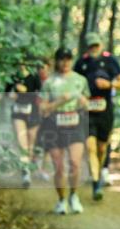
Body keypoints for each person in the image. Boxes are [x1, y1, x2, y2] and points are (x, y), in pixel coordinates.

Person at [75, 32, 120, 201]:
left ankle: (100, 170)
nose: (94, 49)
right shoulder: (81, 63)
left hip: (105, 109)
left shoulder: (110, 61)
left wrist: (109, 84)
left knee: (101, 148)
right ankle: (96, 182)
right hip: (87, 110)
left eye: (96, 45)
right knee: (90, 147)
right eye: (91, 46)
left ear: (101, 45)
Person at [39, 47, 89, 214]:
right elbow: (43, 109)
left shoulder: (81, 80)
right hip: (54, 125)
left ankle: (74, 196)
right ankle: (61, 200)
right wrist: (59, 101)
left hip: (75, 123)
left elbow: (88, 102)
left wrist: (84, 102)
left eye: (68, 58)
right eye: (62, 59)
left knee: (75, 164)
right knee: (59, 167)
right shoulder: (49, 82)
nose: (65, 62)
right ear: (56, 61)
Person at [6, 58, 46, 188]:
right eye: (19, 61)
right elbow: (5, 93)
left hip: (33, 114)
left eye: (24, 61)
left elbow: (40, 95)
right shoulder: (13, 77)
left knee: (30, 143)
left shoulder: (34, 77)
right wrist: (13, 94)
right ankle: (26, 173)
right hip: (18, 113)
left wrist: (26, 92)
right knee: (22, 141)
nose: (21, 64)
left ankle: (29, 166)